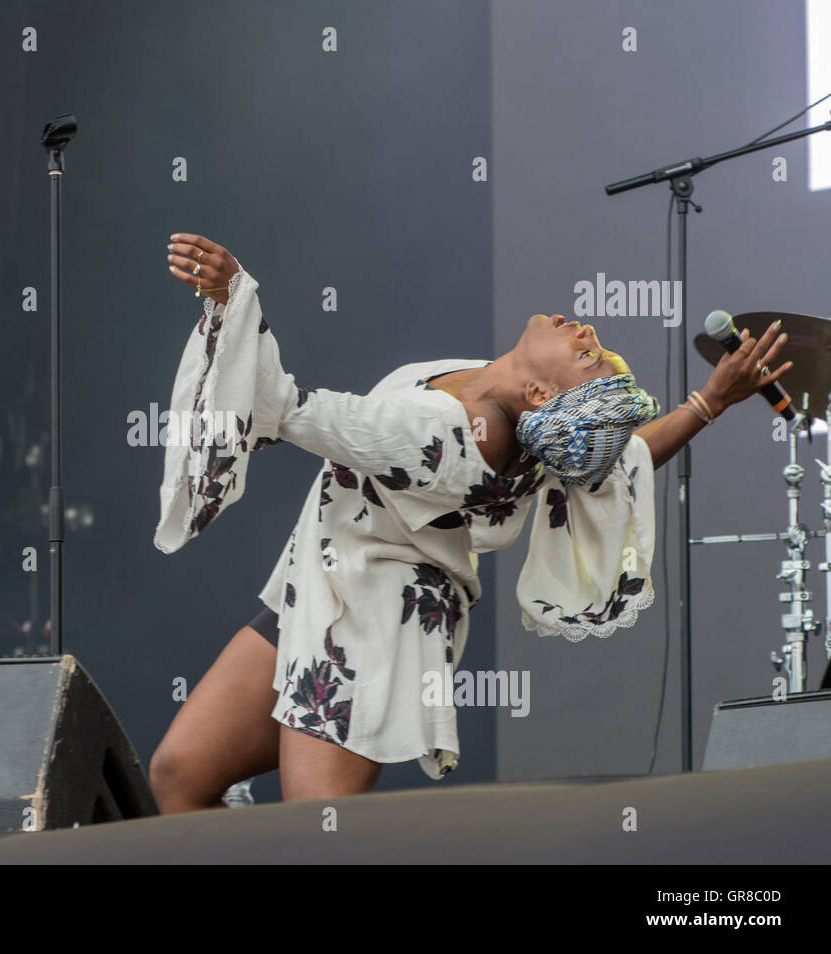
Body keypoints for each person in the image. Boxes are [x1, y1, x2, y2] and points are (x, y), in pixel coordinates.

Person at [149, 232, 791, 810]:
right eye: (595, 350)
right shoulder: (539, 433)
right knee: (181, 775)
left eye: (589, 356)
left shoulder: (437, 435)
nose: (588, 331)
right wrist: (709, 401)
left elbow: (285, 408)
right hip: (317, 586)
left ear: (543, 395)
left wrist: (236, 294)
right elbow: (622, 460)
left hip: (372, 624)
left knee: (316, 835)